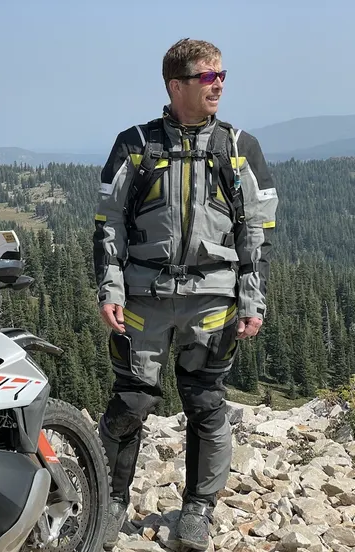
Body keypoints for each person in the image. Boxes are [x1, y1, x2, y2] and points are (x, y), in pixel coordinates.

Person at [93, 38, 278, 550]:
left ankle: (198, 510)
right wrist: (110, 287)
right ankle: (109, 502)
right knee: (130, 402)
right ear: (176, 86)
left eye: (222, 75)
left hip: (212, 298)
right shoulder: (134, 144)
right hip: (142, 296)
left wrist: (252, 299)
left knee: (205, 403)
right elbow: (108, 226)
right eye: (207, 77)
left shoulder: (241, 147)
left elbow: (257, 234)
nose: (218, 84)